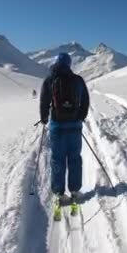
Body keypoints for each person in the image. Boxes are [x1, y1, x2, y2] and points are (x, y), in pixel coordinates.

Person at [39, 52, 90, 212]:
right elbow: (85, 101)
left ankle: (59, 194)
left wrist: (44, 118)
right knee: (74, 158)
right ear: (69, 64)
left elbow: (43, 102)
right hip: (74, 126)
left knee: (57, 159)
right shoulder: (78, 80)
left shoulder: (49, 80)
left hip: (57, 127)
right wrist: (80, 117)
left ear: (55, 63)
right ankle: (75, 191)